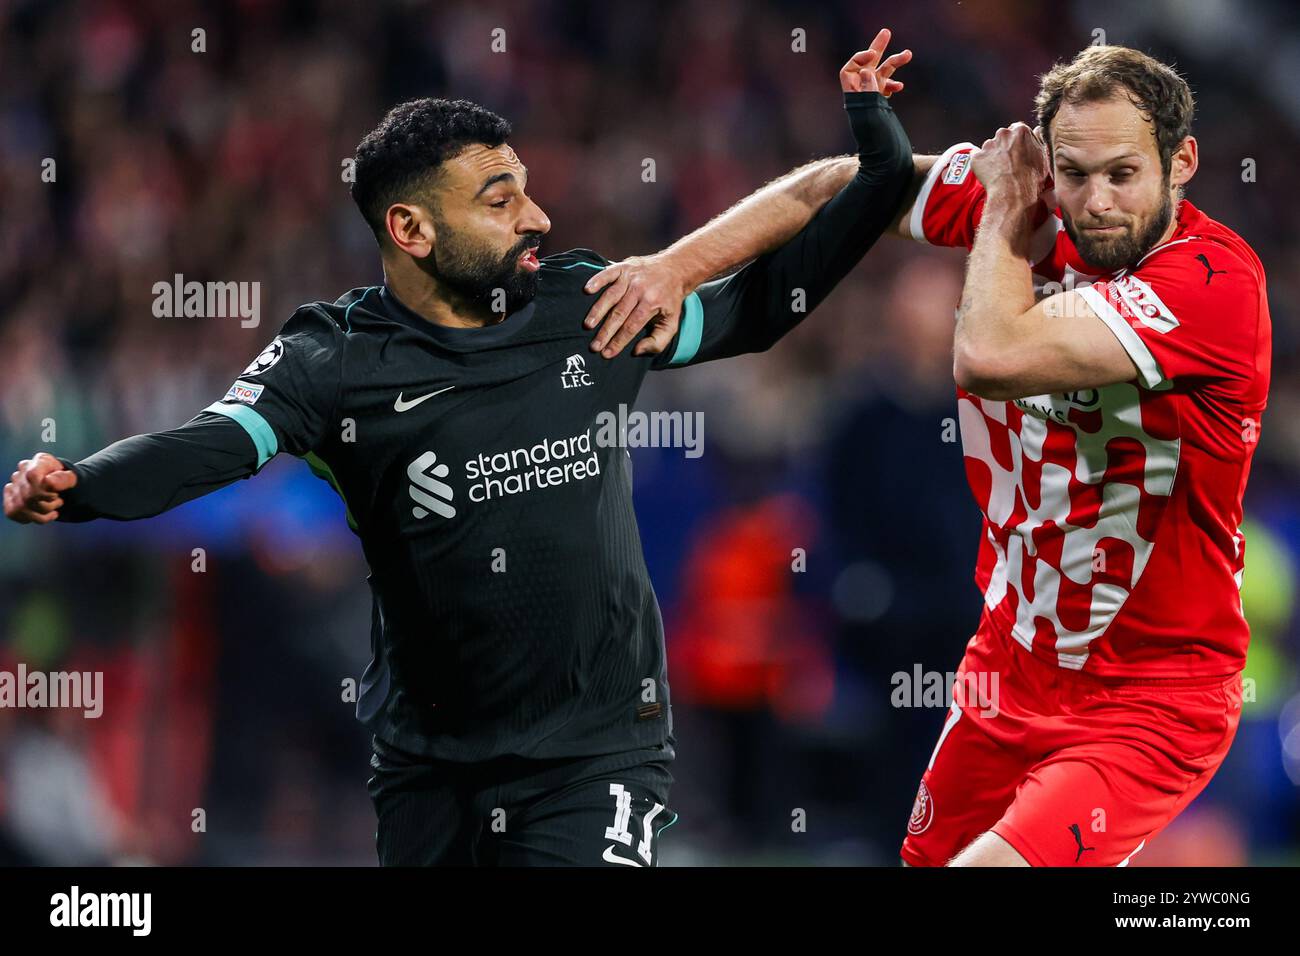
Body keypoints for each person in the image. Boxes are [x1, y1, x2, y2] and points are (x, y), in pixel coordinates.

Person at [4, 30, 915, 866]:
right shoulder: (332, 359)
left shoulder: (583, 311)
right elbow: (213, 445)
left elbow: (761, 308)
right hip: (430, 767)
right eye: (500, 199)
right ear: (411, 230)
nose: (539, 218)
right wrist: (81, 484)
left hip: (596, 754)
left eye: (526, 188)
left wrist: (877, 171)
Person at [890, 44, 1270, 866]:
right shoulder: (1040, 209)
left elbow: (986, 355)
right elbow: (836, 191)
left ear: (1183, 163)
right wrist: (673, 272)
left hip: (1151, 694)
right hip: (1012, 665)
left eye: (1123, 174)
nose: (1095, 202)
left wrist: (1000, 207)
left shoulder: (1213, 281)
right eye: (1074, 172)